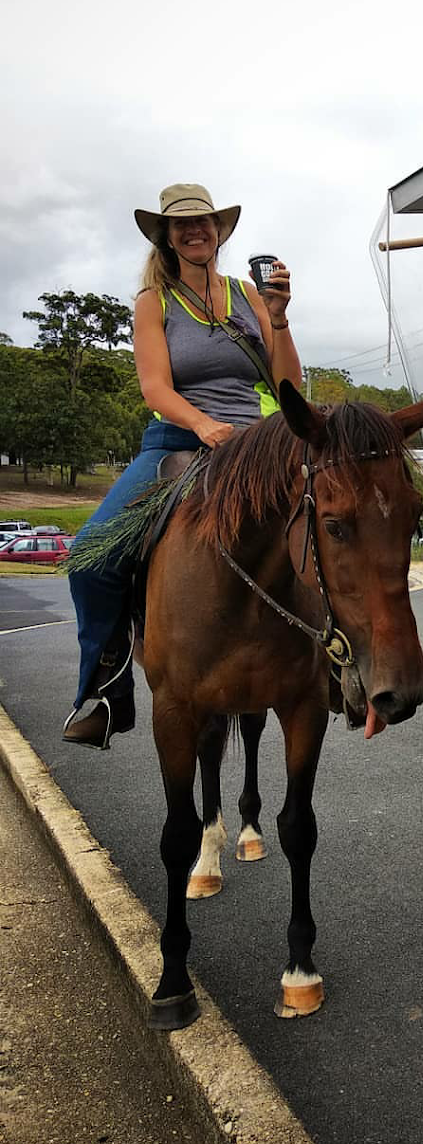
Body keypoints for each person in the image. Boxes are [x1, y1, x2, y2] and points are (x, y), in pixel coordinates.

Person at [63, 183, 303, 748]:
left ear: (219, 231)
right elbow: (154, 386)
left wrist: (280, 317)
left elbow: (287, 383)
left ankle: (344, 669)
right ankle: (107, 685)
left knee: (336, 521)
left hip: (256, 442)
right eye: (182, 225)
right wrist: (201, 426)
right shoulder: (155, 301)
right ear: (167, 237)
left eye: (204, 222)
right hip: (177, 438)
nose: (195, 231)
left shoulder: (250, 295)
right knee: (89, 559)